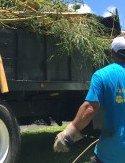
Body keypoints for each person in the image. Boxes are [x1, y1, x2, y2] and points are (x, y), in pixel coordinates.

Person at [53, 35, 125, 163]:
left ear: (112, 54)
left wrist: (68, 134)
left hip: (112, 154)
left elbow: (90, 108)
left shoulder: (102, 75)